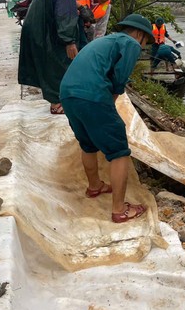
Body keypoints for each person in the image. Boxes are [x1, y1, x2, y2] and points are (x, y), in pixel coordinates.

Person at [59, 13, 155, 223]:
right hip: (92, 93)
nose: (143, 45)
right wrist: (109, 102)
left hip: (67, 93)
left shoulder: (106, 40)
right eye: (146, 40)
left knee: (88, 144)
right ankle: (119, 210)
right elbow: (120, 78)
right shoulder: (130, 43)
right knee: (119, 150)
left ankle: (95, 186)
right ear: (139, 34)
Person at [18, 0, 93, 115]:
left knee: (51, 64)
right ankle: (58, 104)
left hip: (37, 30)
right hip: (44, 32)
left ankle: (58, 100)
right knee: (59, 64)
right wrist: (69, 41)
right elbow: (64, 14)